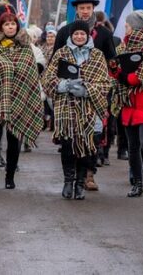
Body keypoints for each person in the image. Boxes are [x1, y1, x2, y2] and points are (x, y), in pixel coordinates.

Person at [42, 20, 110, 200]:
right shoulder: (61, 54)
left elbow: (105, 83)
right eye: (76, 34)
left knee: (88, 148)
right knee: (68, 146)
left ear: (87, 35)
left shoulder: (97, 56)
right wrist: (65, 84)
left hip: (89, 110)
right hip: (67, 108)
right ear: (71, 36)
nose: (79, 37)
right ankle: (68, 181)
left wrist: (87, 89)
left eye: (82, 34)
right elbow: (47, 80)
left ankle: (80, 184)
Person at [0, 5, 43, 190]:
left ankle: (10, 176)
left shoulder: (25, 48)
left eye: (13, 24)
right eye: (6, 24)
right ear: (1, 27)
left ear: (17, 26)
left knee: (14, 140)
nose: (10, 27)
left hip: (19, 99)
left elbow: (31, 73)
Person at [111, 10, 143, 199]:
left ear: (134, 26)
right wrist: (116, 71)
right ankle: (137, 184)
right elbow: (118, 71)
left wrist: (129, 78)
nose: (125, 27)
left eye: (127, 25)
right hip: (129, 104)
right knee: (133, 146)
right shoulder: (124, 47)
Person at [52, 0, 117, 60]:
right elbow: (55, 60)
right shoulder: (64, 32)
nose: (85, 11)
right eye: (82, 8)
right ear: (76, 9)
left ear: (93, 8)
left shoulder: (105, 33)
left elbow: (112, 60)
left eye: (88, 8)